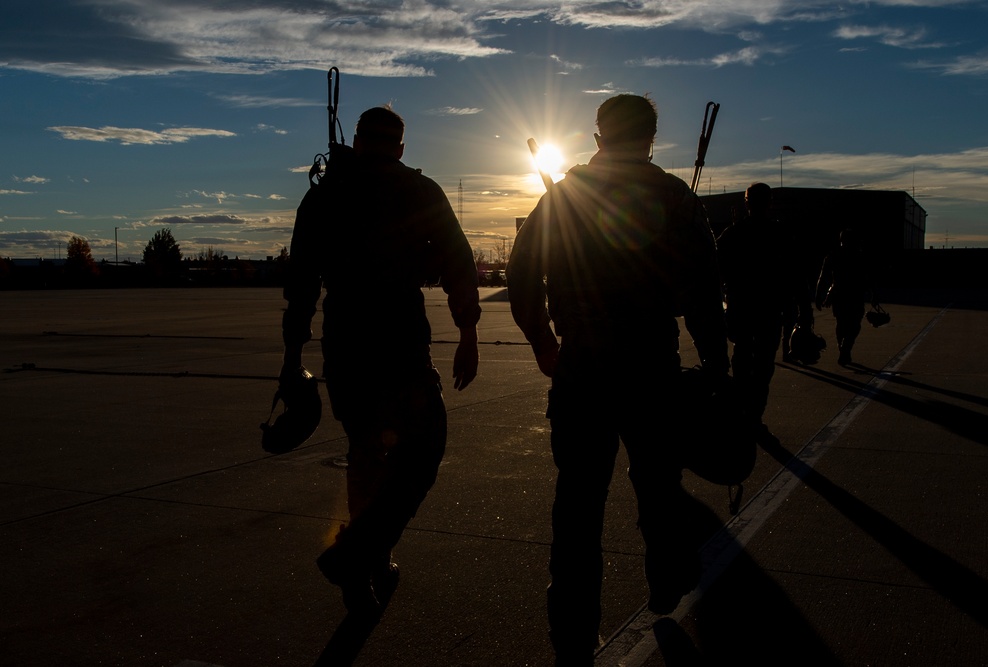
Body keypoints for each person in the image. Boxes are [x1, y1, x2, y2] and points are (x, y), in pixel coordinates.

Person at [506, 94, 730, 665]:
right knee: (659, 487)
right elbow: (705, 293)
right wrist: (717, 369)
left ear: (598, 135)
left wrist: (542, 342)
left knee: (578, 506)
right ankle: (666, 579)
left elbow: (523, 272)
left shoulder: (564, 196)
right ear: (652, 138)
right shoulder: (674, 196)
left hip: (583, 368)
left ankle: (573, 636)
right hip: (651, 368)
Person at [280, 106, 481, 616]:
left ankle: (367, 561)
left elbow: (301, 283)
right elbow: (458, 261)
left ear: (359, 141)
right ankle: (360, 553)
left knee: (366, 453)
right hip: (399, 342)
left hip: (344, 342)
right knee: (425, 448)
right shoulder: (420, 190)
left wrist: (291, 356)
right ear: (400, 146)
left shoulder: (323, 195)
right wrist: (468, 332)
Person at [716, 182, 792, 444]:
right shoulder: (778, 233)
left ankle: (744, 415)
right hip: (766, 311)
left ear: (746, 203)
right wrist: (803, 314)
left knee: (743, 362)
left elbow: (714, 273)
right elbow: (794, 277)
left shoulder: (732, 234)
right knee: (761, 368)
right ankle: (752, 416)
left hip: (743, 309)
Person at [816, 227, 871, 365]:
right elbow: (869, 278)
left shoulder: (837, 256)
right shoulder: (856, 256)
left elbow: (823, 278)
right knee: (852, 324)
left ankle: (844, 347)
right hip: (850, 295)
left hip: (844, 294)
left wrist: (819, 295)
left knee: (844, 323)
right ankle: (845, 347)